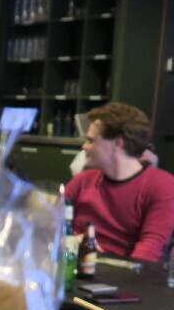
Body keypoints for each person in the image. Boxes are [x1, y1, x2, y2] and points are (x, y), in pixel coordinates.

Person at [65, 103, 174, 262]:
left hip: (123, 272)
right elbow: (50, 227)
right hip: (75, 265)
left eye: (91, 140)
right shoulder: (83, 180)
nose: (85, 146)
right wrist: (70, 241)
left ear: (118, 143)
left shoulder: (162, 185)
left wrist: (103, 262)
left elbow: (149, 250)